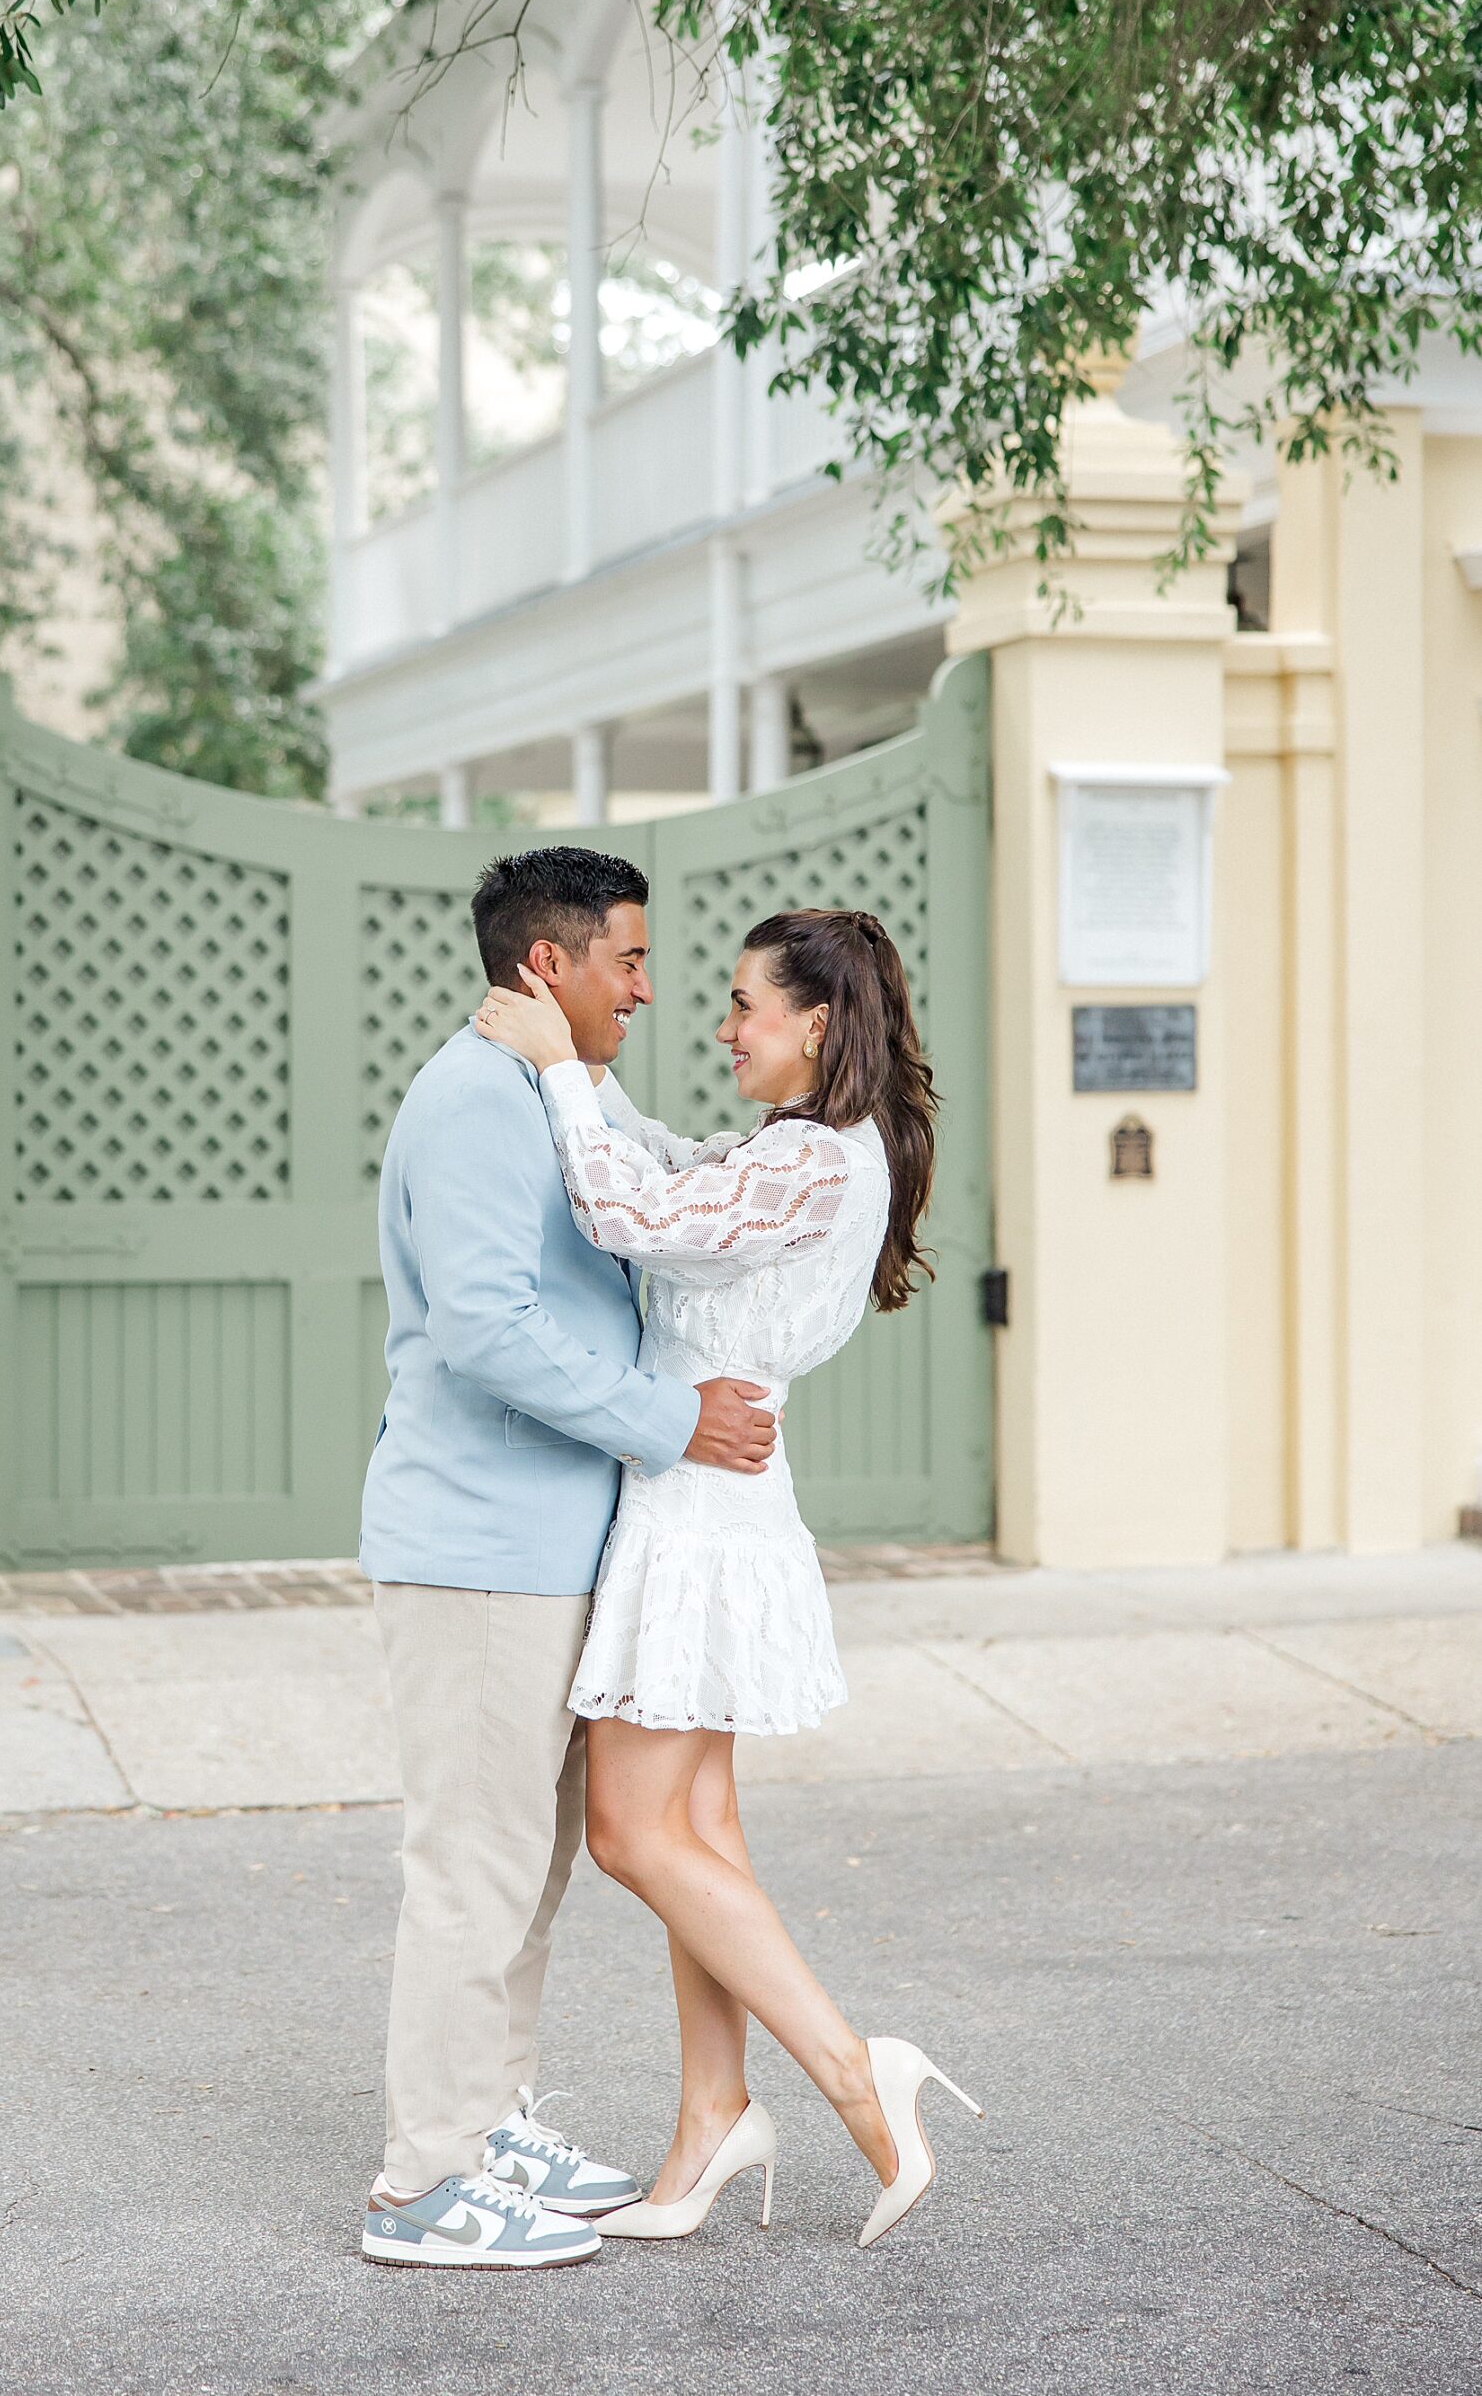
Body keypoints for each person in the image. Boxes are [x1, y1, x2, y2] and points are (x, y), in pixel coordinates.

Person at [474, 907, 983, 2250]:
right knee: (701, 1836)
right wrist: (583, 1076)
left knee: (632, 1835)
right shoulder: (801, 1151)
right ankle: (712, 2118)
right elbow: (668, 1160)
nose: (721, 1024)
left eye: (745, 1005)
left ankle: (853, 2070)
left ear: (816, 1025)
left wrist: (553, 1075)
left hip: (700, 1512)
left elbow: (625, 1205)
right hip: (712, 1502)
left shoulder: (813, 1160)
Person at [358, 847, 779, 2271]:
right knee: (473, 1869)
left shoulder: (561, 1089)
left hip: (549, 1549)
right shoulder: (476, 1100)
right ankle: (427, 2184)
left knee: (527, 1869)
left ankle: (490, 2122)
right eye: (632, 963)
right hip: (477, 1551)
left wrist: (828, 1151)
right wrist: (675, 1424)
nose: (649, 990)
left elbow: (673, 1177)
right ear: (552, 964)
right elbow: (483, 1328)